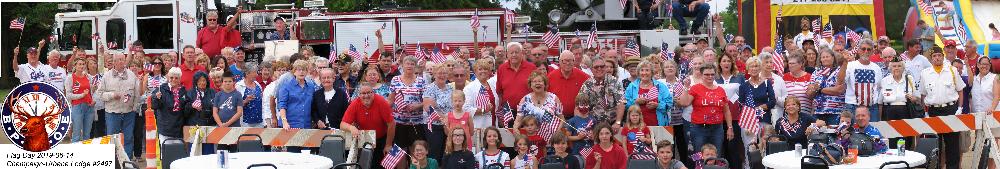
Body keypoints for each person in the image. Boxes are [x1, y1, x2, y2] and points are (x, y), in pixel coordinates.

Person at [917, 47, 965, 169]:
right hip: (933, 111)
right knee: (934, 144)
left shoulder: (952, 70)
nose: (937, 58)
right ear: (931, 58)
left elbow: (960, 90)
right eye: (934, 56)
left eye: (939, 55)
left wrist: (959, 108)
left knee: (952, 145)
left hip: (951, 110)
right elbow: (923, 95)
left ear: (943, 57)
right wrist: (925, 112)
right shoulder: (925, 73)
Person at [677, 64, 733, 154]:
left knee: (716, 155)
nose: (710, 76)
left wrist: (730, 127)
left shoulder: (721, 90)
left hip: (717, 129)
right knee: (699, 156)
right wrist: (686, 87)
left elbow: (726, 110)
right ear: (701, 75)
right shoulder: (695, 88)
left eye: (712, 74)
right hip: (699, 128)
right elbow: (684, 103)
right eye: (707, 74)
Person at [341, 83, 396, 168]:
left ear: (373, 93)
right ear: (359, 94)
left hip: (382, 138)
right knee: (366, 165)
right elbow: (342, 124)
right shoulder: (355, 103)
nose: (366, 96)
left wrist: (388, 144)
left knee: (386, 166)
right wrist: (351, 127)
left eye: (369, 93)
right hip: (365, 139)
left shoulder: (381, 101)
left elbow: (392, 123)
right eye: (363, 93)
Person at [99, 53, 140, 158]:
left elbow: (137, 93)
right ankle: (113, 161)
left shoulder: (132, 75)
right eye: (119, 60)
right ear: (114, 62)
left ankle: (128, 160)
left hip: (129, 113)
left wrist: (135, 108)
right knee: (113, 139)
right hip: (112, 113)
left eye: (123, 59)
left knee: (128, 138)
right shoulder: (106, 76)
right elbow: (100, 94)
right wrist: (112, 95)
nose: (122, 61)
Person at [388, 56, 427, 151]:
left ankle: (414, 166)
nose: (409, 66)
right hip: (398, 122)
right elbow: (390, 100)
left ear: (415, 66)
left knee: (416, 150)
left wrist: (417, 106)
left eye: (412, 64)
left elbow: (427, 101)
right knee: (399, 151)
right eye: (407, 64)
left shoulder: (421, 81)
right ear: (403, 66)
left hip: (416, 122)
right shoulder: (395, 80)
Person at [879, 56, 918, 149]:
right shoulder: (885, 81)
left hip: (905, 111)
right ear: (890, 68)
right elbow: (880, 101)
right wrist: (880, 119)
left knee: (905, 139)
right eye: (894, 66)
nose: (896, 68)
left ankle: (905, 161)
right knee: (891, 140)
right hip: (889, 111)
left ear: (903, 68)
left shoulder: (909, 79)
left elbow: (917, 97)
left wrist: (913, 98)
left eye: (899, 66)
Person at [840, 39, 884, 122]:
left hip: (872, 108)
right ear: (859, 51)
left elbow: (878, 88)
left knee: (872, 133)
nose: (866, 51)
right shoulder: (850, 65)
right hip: (853, 106)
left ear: (872, 52)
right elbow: (841, 81)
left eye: (869, 49)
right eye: (863, 49)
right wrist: (844, 62)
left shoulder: (877, 68)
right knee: (852, 133)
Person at [624, 59, 674, 126]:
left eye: (647, 70)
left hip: (657, 124)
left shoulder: (660, 86)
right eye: (642, 70)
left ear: (652, 72)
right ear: (638, 72)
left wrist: (657, 105)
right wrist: (635, 102)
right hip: (636, 126)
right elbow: (625, 104)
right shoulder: (632, 86)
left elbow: (669, 104)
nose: (644, 73)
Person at [498, 42, 538, 121]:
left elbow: (537, 89)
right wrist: (500, 110)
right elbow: (499, 92)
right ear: (507, 54)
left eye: (516, 52)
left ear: (522, 53)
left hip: (528, 111)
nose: (514, 55)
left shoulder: (531, 68)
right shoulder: (501, 69)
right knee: (509, 133)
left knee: (528, 133)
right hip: (508, 112)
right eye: (511, 53)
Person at [549, 51, 591, 118]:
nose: (568, 63)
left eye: (570, 61)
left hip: (578, 117)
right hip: (557, 118)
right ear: (559, 62)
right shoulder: (551, 77)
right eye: (564, 61)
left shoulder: (583, 76)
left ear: (574, 62)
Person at [808, 48, 845, 124]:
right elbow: (809, 93)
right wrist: (813, 90)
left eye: (827, 56)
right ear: (820, 59)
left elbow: (839, 90)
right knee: (817, 134)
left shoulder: (839, 71)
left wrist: (819, 89)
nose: (825, 59)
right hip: (818, 111)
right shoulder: (816, 72)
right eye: (823, 57)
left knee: (833, 134)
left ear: (833, 57)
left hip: (835, 111)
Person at [464, 59, 500, 128]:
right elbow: (465, 109)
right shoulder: (469, 88)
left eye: (485, 69)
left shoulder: (492, 86)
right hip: (478, 126)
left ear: (489, 71)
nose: (483, 71)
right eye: (480, 69)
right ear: (475, 71)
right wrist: (483, 110)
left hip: (493, 125)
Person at [67, 57, 94, 142]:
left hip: (89, 106)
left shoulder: (88, 76)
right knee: (77, 135)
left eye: (83, 64)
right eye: (79, 64)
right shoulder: (70, 78)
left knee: (87, 135)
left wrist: (93, 98)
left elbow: (90, 92)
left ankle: (85, 154)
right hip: (77, 107)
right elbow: (68, 95)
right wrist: (82, 95)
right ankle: (76, 154)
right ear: (75, 65)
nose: (82, 66)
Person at [235, 63, 263, 128]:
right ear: (247, 74)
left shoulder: (258, 85)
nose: (256, 75)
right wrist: (245, 101)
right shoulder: (239, 86)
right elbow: (235, 105)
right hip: (245, 123)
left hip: (259, 121)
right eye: (254, 72)